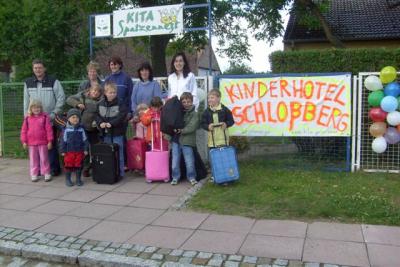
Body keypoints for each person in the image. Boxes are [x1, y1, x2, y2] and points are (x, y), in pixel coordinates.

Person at [23, 59, 65, 176]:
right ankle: (39, 170)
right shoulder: (28, 82)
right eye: (35, 68)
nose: (38, 70)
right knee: (36, 148)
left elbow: (61, 97)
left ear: (44, 68)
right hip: (34, 123)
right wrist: (26, 118)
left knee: (50, 145)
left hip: (49, 120)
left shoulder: (53, 81)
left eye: (40, 67)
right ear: (33, 69)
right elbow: (26, 102)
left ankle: (53, 169)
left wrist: (54, 114)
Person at [66, 84, 103, 177]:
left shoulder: (101, 101)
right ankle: (85, 168)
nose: (95, 92)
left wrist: (98, 122)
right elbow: (69, 99)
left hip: (95, 130)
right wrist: (77, 104)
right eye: (94, 90)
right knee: (84, 150)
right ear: (89, 91)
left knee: (95, 149)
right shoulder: (83, 97)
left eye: (98, 91)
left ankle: (96, 167)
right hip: (83, 129)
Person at [96, 81, 128, 178]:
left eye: (114, 92)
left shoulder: (120, 102)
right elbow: (96, 115)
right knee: (108, 153)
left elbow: (122, 115)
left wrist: (111, 123)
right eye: (110, 92)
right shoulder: (100, 103)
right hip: (106, 133)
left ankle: (120, 172)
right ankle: (109, 171)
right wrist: (100, 123)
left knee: (119, 152)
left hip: (118, 132)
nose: (112, 94)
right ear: (105, 93)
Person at [167, 92, 199, 186]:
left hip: (187, 141)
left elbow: (192, 126)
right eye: (184, 102)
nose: (186, 104)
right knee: (175, 161)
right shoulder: (177, 112)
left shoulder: (195, 114)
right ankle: (175, 177)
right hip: (176, 140)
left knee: (189, 161)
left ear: (192, 102)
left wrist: (181, 130)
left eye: (188, 102)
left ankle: (192, 177)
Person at [20, 100, 53, 182]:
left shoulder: (45, 117)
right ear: (31, 109)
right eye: (34, 108)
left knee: (44, 158)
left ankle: (46, 173)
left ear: (41, 108)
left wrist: (50, 141)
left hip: (43, 142)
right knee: (33, 159)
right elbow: (24, 130)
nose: (36, 109)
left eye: (38, 107)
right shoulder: (27, 118)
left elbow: (49, 130)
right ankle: (34, 174)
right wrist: (24, 141)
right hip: (31, 143)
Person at [59, 109, 89, 187]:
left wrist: (85, 149)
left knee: (78, 165)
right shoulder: (65, 129)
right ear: (68, 119)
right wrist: (62, 150)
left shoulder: (81, 129)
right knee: (69, 165)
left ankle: (78, 179)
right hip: (69, 152)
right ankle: (68, 179)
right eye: (73, 117)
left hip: (79, 151)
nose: (75, 119)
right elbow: (63, 141)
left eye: (77, 117)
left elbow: (85, 140)